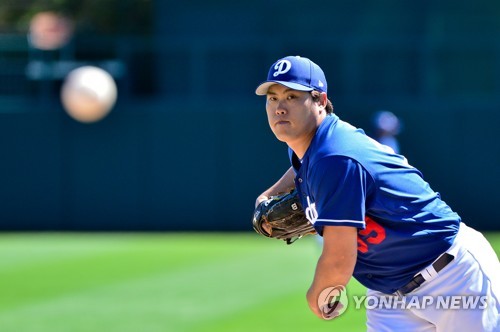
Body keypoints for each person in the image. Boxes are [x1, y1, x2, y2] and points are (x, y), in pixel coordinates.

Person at [254, 55, 500, 331]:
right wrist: (269, 194)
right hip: (389, 292)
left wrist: (318, 294)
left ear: (320, 100)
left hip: (452, 276)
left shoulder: (335, 158)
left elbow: (338, 260)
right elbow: (300, 166)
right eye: (272, 98)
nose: (279, 108)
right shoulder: (308, 144)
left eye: (291, 97)